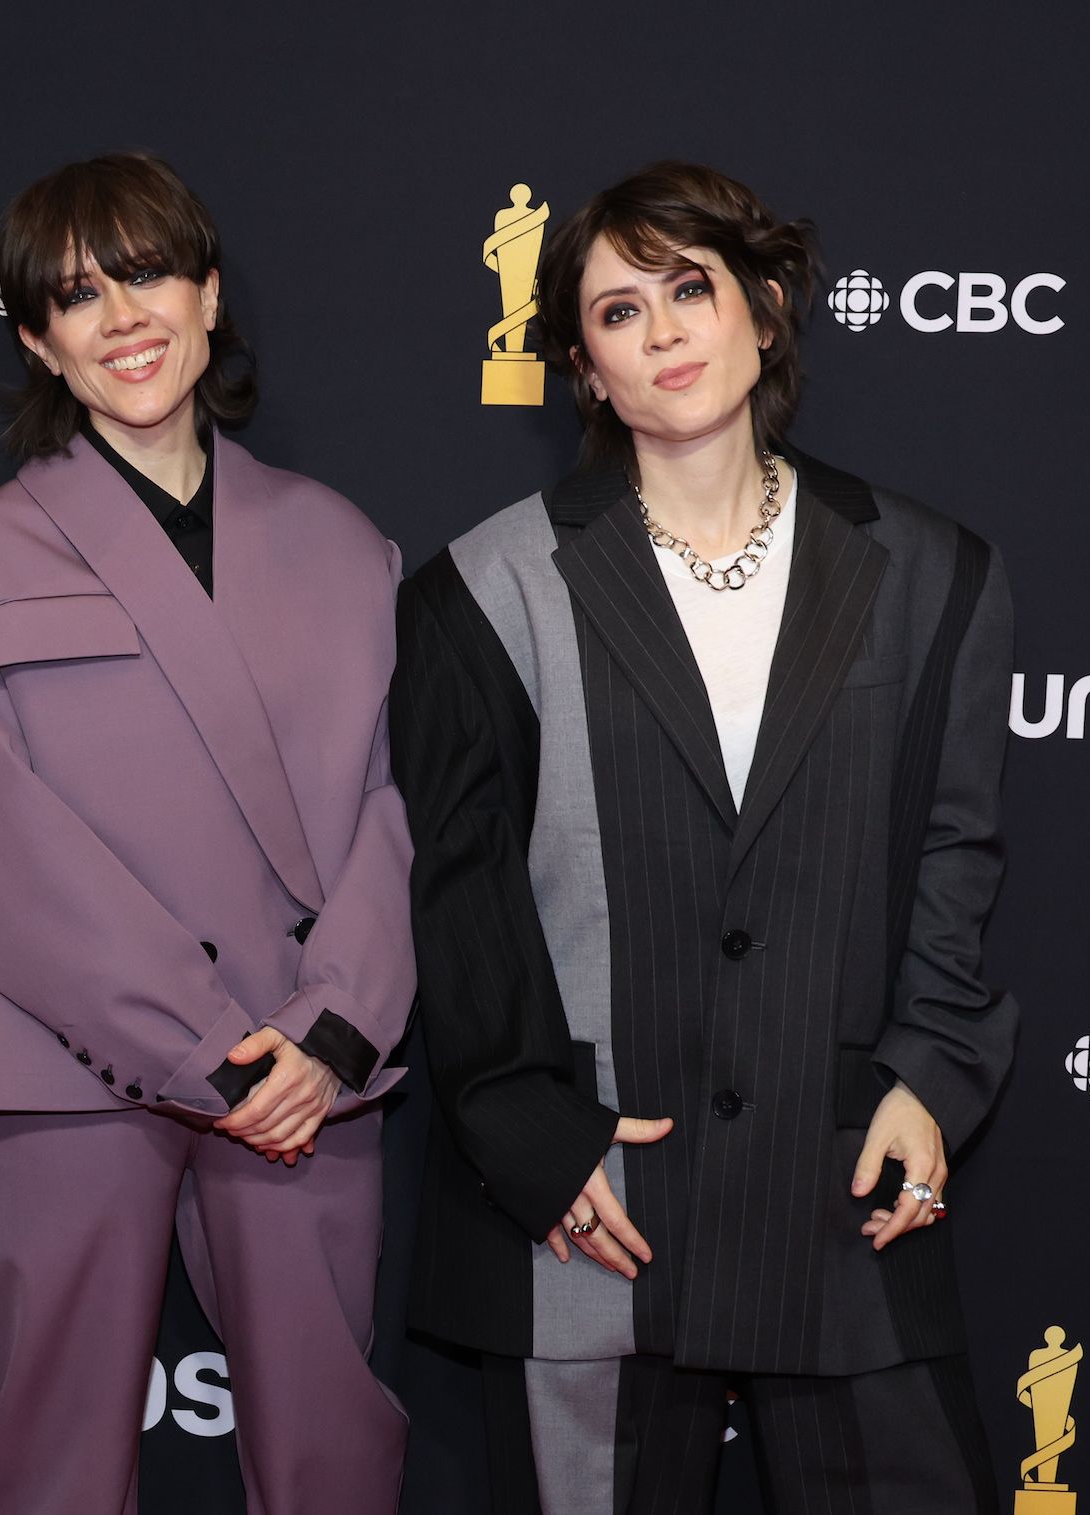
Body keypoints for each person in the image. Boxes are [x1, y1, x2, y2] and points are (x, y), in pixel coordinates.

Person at [391, 161, 1016, 1512]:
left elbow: (956, 851)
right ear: (581, 364)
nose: (664, 331)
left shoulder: (931, 572)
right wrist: (533, 1137)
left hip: (840, 1183)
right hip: (597, 1206)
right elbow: (461, 896)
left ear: (768, 309)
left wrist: (931, 1073)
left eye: (692, 289)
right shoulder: (482, 587)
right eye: (620, 312)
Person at [0, 152, 416, 1515]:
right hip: (66, 1072)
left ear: (209, 292)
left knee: (329, 1459)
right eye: (76, 294)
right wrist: (209, 1054)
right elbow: (7, 861)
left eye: (147, 273)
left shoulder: (344, 544)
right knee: (47, 1470)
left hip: (308, 1068)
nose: (122, 316)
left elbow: (384, 811)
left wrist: (336, 1031)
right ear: (34, 340)